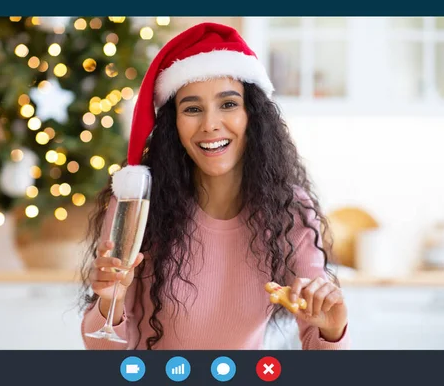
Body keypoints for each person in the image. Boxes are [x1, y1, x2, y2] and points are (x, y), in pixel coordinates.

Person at [80, 22, 350, 350]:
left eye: (228, 104)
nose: (210, 124)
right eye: (192, 109)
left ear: (252, 115)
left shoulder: (291, 211)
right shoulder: (138, 206)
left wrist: (331, 332)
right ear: (172, 126)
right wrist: (111, 302)